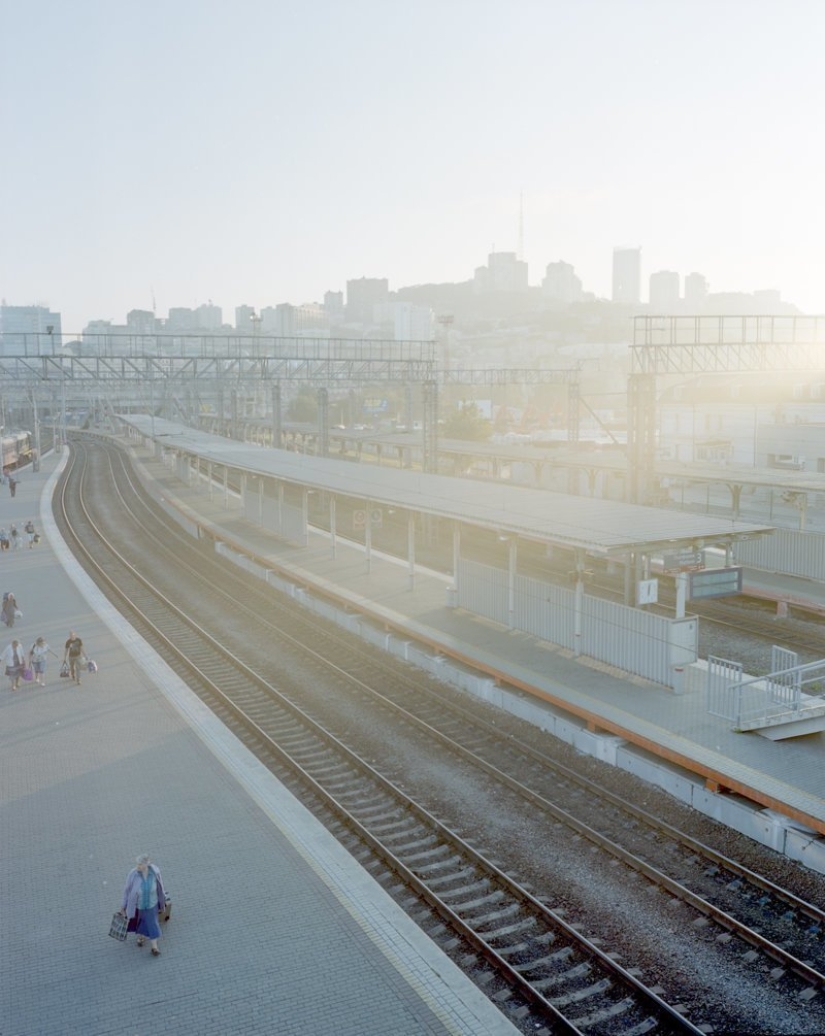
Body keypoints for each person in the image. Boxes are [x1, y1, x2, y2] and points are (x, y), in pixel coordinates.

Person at [120, 854, 166, 956]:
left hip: (151, 904)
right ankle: (141, 936)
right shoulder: (133, 874)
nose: (138, 866)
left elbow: (160, 887)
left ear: (146, 865)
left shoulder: (155, 872)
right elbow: (126, 890)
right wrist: (123, 905)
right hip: (138, 905)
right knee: (140, 921)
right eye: (137, 864)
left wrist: (162, 902)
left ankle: (154, 947)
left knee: (152, 923)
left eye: (140, 864)